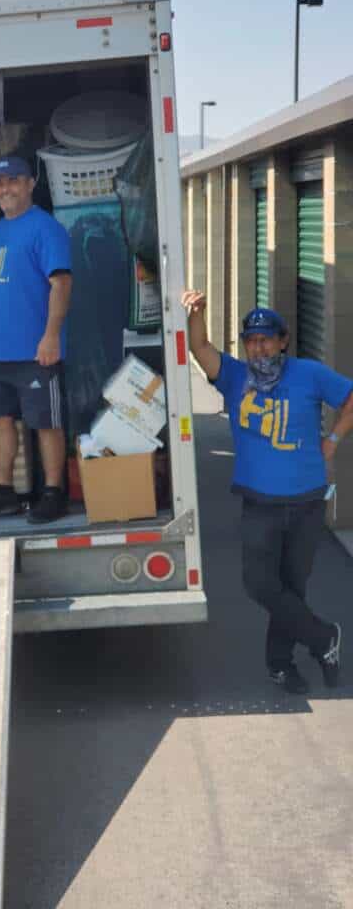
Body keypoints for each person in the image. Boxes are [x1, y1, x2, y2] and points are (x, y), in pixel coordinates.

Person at [182, 290, 353, 694]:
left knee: (291, 587)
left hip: (308, 500)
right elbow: (200, 347)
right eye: (250, 340)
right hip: (260, 501)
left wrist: (332, 439)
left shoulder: (309, 374)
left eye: (265, 339)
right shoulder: (235, 376)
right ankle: (323, 638)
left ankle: (280, 665)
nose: (257, 347)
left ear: (283, 341)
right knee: (259, 583)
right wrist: (197, 313)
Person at [0, 155, 72, 524]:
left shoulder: (45, 229)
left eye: (13, 180)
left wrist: (51, 336)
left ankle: (54, 492)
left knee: (46, 423)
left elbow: (61, 283)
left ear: (31, 184)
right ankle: (2, 492)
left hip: (36, 351)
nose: (5, 189)